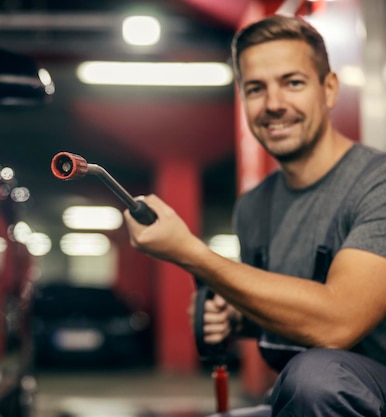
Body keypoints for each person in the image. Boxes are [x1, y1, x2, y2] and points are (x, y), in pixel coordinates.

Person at [123, 14, 386, 417]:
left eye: (292, 83)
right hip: (306, 398)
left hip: (359, 391)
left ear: (329, 89)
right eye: (256, 89)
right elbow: (292, 312)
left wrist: (192, 254)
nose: (274, 104)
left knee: (316, 377)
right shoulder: (254, 205)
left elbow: (338, 323)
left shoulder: (377, 183)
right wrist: (237, 317)